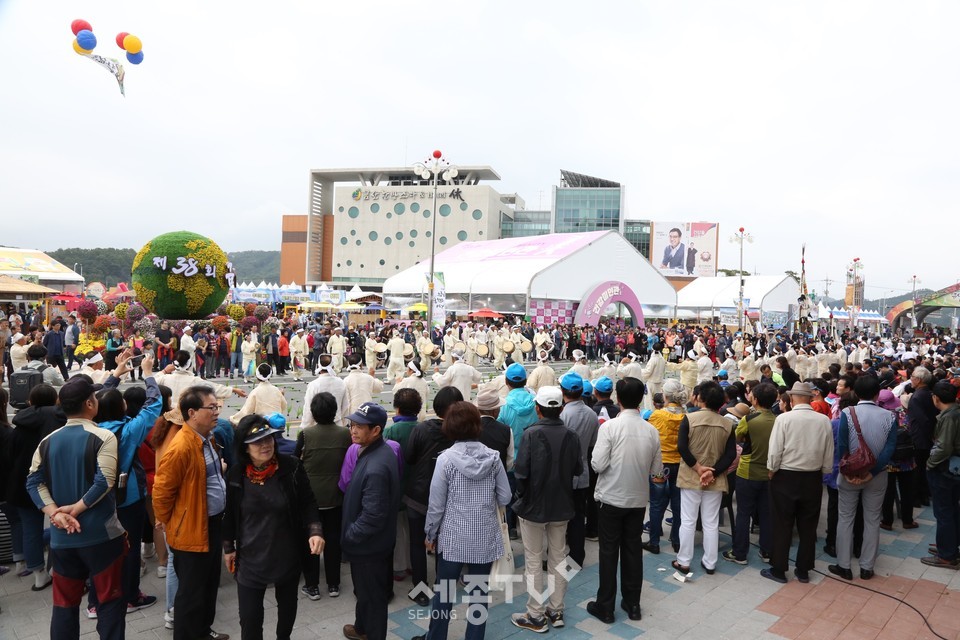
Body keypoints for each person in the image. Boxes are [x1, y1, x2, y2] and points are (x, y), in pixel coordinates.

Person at [24, 377, 127, 639]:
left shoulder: (47, 440)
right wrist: (76, 510)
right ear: (90, 403)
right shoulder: (103, 436)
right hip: (101, 536)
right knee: (110, 602)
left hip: (62, 539)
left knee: (64, 605)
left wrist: (55, 513)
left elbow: (33, 481)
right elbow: (105, 480)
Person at [414, 402, 512, 640]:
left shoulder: (445, 460)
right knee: (479, 594)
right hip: (485, 538)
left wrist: (430, 534)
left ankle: (436, 637)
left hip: (453, 539)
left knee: (444, 594)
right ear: (477, 426)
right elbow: (506, 496)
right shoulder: (493, 458)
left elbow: (436, 505)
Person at [223, 415, 324, 640]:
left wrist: (315, 530)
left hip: (286, 556)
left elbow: (308, 502)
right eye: (258, 441)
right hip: (250, 560)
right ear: (244, 447)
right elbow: (229, 513)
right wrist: (228, 546)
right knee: (249, 621)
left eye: (269, 438)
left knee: (287, 610)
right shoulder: (235, 474)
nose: (266, 445)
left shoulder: (291, 467)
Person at [85, 352, 163, 617]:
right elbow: (153, 405)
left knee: (100, 546)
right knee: (126, 548)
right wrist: (149, 373)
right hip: (127, 496)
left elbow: (97, 397)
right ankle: (130, 596)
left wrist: (115, 375)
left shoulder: (89, 424)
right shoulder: (128, 430)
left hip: (93, 495)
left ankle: (95, 601)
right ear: (123, 408)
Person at [152, 386, 232, 640]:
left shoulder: (206, 438)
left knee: (208, 585)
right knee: (191, 592)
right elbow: (162, 493)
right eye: (211, 408)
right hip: (192, 527)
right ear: (192, 412)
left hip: (211, 523)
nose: (217, 412)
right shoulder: (181, 448)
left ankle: (203, 632)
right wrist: (170, 521)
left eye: (216, 407)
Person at [587, 377, 662, 624]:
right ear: (641, 399)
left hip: (610, 498)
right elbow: (656, 471)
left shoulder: (609, 428)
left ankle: (605, 606)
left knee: (608, 552)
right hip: (638, 500)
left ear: (618, 399)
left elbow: (597, 464)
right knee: (632, 551)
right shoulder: (651, 430)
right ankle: (633, 604)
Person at [510, 386, 583, 633]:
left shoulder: (530, 434)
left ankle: (535, 614)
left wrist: (523, 494)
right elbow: (577, 470)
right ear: (561, 409)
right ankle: (556, 608)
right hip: (562, 504)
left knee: (533, 558)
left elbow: (520, 473)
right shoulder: (571, 435)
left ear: (538, 409)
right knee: (558, 557)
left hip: (533, 505)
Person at [764, 381, 834, 584]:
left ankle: (779, 568)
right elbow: (828, 451)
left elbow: (776, 449)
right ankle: (803, 569)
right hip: (812, 477)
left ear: (793, 398)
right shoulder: (823, 421)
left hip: (786, 475)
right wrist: (825, 471)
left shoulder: (784, 419)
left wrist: (772, 469)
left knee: (782, 522)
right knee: (808, 525)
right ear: (810, 398)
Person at [828, 375, 898, 581]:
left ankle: (844, 565)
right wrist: (872, 471)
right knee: (872, 519)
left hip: (849, 475)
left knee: (846, 518)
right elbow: (890, 449)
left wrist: (849, 471)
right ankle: (867, 567)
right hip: (877, 477)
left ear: (856, 393)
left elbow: (842, 446)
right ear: (877, 394)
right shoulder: (890, 416)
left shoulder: (848, 413)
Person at [341, 402, 401, 640]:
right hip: (370, 545)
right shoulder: (376, 450)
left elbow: (373, 516)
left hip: (368, 547)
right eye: (352, 425)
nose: (353, 430)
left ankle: (372, 633)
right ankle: (361, 628)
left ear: (375, 430)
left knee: (373, 598)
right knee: (365, 593)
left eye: (359, 427)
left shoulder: (376, 465)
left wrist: (349, 536)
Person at [402, 387, 460, 606]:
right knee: (443, 544)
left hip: (417, 496)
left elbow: (409, 457)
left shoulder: (421, 429)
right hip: (447, 498)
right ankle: (441, 586)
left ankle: (419, 589)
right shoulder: (459, 433)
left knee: (417, 544)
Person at [673, 381, 737, 576]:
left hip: (692, 476)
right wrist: (713, 472)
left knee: (688, 520)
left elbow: (682, 447)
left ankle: (683, 561)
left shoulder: (689, 419)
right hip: (714, 479)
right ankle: (710, 562)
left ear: (701, 398)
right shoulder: (727, 423)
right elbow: (730, 454)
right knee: (711, 522)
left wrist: (699, 468)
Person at [7, 384, 65, 588]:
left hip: (23, 484)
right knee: (60, 522)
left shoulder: (20, 426)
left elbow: (11, 457)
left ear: (30, 401)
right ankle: (59, 568)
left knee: (30, 529)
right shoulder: (60, 422)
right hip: (55, 481)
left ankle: (38, 575)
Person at [296, 392, 352, 599]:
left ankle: (312, 585)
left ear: (313, 412)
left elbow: (295, 463)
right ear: (334, 411)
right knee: (333, 540)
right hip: (336, 496)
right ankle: (334, 584)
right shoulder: (345, 434)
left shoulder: (305, 435)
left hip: (311, 499)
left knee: (310, 540)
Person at [723, 382, 777, 565]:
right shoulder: (778, 420)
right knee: (766, 513)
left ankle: (740, 553)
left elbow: (738, 437)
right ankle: (767, 551)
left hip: (747, 472)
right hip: (770, 473)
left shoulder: (749, 420)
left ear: (756, 399)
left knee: (744, 513)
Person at [559, 372, 599, 569]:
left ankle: (555, 554)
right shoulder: (592, 415)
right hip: (582, 471)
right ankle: (577, 556)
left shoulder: (563, 415)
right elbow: (592, 444)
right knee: (577, 515)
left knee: (559, 517)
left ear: (563, 391)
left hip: (563, 473)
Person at [921, 380, 960, 569]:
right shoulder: (955, 411)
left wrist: (930, 464)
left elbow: (944, 447)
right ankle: (949, 546)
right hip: (953, 468)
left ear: (936, 398)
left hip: (945, 469)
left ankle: (947, 555)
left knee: (944, 511)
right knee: (952, 509)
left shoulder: (949, 417)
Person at [302, 354, 347, 428]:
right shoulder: (341, 383)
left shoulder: (313, 385)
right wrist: (344, 424)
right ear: (333, 366)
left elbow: (308, 408)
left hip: (317, 426)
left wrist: (306, 427)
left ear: (318, 366)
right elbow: (345, 407)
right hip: (337, 425)